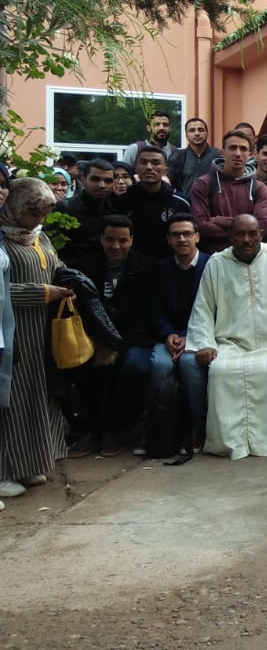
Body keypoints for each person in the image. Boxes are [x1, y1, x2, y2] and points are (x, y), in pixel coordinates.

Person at [186, 215, 267, 459]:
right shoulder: (217, 263)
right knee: (220, 372)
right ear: (230, 236)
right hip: (231, 342)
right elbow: (203, 307)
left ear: (261, 234)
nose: (247, 239)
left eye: (252, 233)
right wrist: (204, 343)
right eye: (240, 234)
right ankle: (229, 444)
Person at [0, 180, 74, 500]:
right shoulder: (3, 241)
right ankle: (4, 470)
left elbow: (56, 267)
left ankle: (29, 462)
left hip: (42, 331)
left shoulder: (39, 236)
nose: (38, 220)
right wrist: (42, 293)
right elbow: (2, 291)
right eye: (34, 213)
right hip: (14, 331)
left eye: (43, 214)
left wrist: (70, 283)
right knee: (13, 401)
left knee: (38, 396)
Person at [71, 215, 157, 456]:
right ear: (101, 239)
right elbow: (83, 310)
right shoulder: (85, 267)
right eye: (110, 240)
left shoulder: (147, 267)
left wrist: (118, 345)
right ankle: (88, 431)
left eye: (122, 240)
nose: (116, 246)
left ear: (131, 240)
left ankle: (114, 430)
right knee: (78, 366)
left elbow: (149, 315)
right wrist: (101, 342)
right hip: (95, 337)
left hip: (132, 339)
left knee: (133, 368)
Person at [149, 213, 209, 456]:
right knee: (160, 365)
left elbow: (217, 308)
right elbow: (154, 308)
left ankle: (198, 425)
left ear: (197, 237)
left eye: (187, 234)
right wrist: (168, 334)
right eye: (176, 235)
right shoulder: (160, 268)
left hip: (201, 334)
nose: (182, 239)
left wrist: (190, 337)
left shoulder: (212, 265)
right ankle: (159, 428)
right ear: (168, 239)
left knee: (189, 363)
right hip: (169, 336)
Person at [188, 129, 267, 254]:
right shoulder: (203, 184)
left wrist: (219, 220)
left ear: (250, 154)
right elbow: (200, 226)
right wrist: (247, 231)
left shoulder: (259, 188)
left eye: (243, 149)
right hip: (213, 258)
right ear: (222, 152)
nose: (238, 153)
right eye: (232, 148)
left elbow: (262, 228)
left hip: (248, 258)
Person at [111, 145, 192, 259]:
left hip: (168, 264)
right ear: (136, 168)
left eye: (155, 163)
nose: (149, 167)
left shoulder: (180, 202)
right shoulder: (123, 200)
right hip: (133, 264)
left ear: (165, 170)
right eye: (143, 162)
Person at [60, 158, 116, 266]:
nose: (102, 185)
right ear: (83, 180)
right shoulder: (66, 208)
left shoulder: (117, 208)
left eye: (108, 181)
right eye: (95, 179)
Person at [167, 117, 220, 197]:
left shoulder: (218, 156)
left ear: (207, 133)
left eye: (201, 130)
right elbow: (169, 185)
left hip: (213, 203)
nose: (197, 133)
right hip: (187, 203)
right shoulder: (177, 157)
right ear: (186, 135)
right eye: (192, 130)